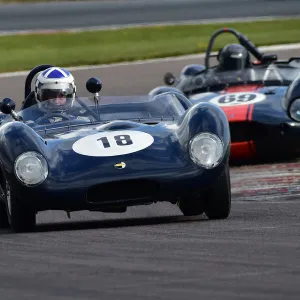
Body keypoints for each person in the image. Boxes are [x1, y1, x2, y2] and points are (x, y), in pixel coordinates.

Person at [22, 66, 95, 124]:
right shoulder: (29, 120)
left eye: (61, 95)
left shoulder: (81, 117)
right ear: (39, 96)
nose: (56, 101)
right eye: (51, 96)